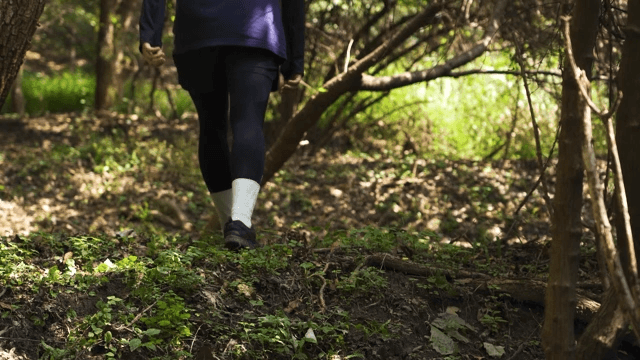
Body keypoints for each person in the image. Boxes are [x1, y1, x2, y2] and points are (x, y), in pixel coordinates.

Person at [139, 0, 305, 250]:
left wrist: (150, 34)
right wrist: (295, 58)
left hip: (198, 32)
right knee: (248, 119)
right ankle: (239, 222)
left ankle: (231, 224)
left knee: (211, 125)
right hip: (255, 31)